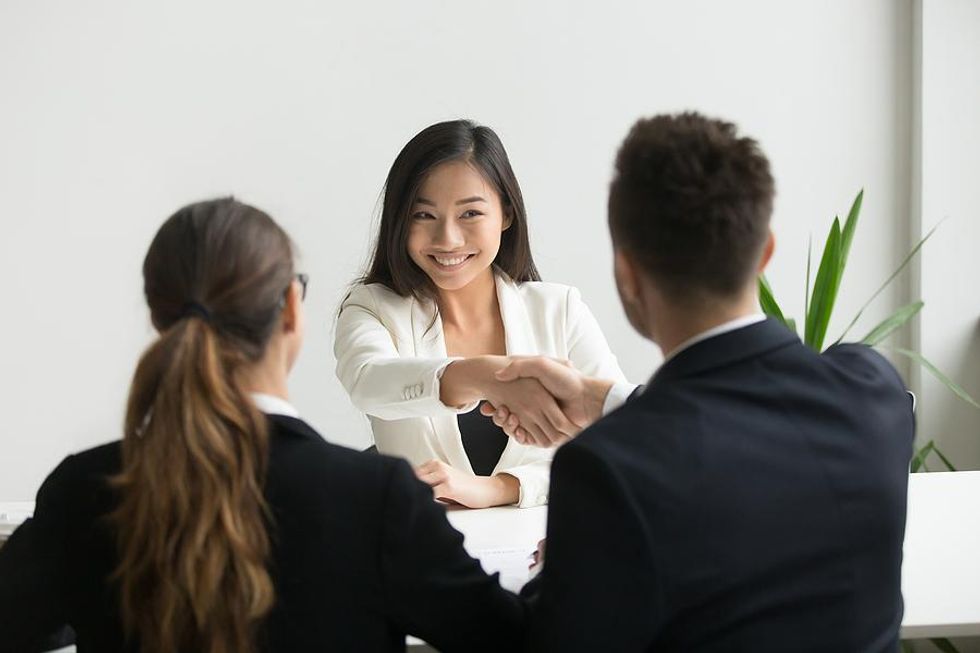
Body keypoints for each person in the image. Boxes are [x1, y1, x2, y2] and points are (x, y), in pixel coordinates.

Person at [0, 199, 524, 653]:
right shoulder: (374, 500)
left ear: (160, 319)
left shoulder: (83, 492)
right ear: (292, 310)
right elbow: (518, 639)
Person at [495, 113, 914, 651]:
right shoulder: (875, 392)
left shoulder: (609, 469)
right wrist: (607, 400)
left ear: (626, 273)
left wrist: (561, 567)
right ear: (765, 252)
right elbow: (747, 447)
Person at [334, 119, 633, 508]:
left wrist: (503, 488)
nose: (448, 239)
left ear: (506, 215)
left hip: (540, 548)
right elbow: (368, 383)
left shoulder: (560, 309)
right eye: (423, 215)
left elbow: (625, 442)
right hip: (419, 548)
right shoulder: (371, 307)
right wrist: (485, 377)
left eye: (470, 214)